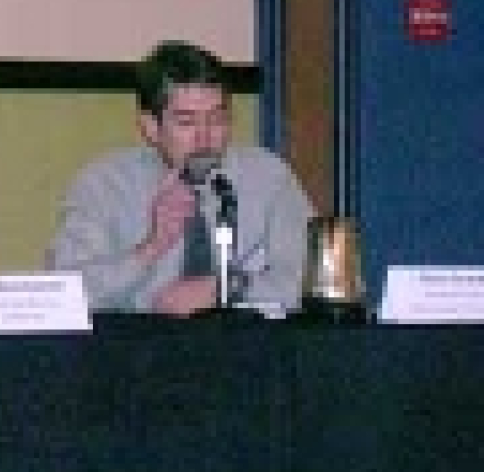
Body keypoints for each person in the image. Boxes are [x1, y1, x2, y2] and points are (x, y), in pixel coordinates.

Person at [47, 41, 314, 315]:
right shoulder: (105, 185)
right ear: (150, 127)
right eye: (186, 122)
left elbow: (310, 283)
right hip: (139, 350)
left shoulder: (268, 178)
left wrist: (224, 289)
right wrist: (151, 247)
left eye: (217, 119)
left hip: (252, 347)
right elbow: (65, 295)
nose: (205, 138)